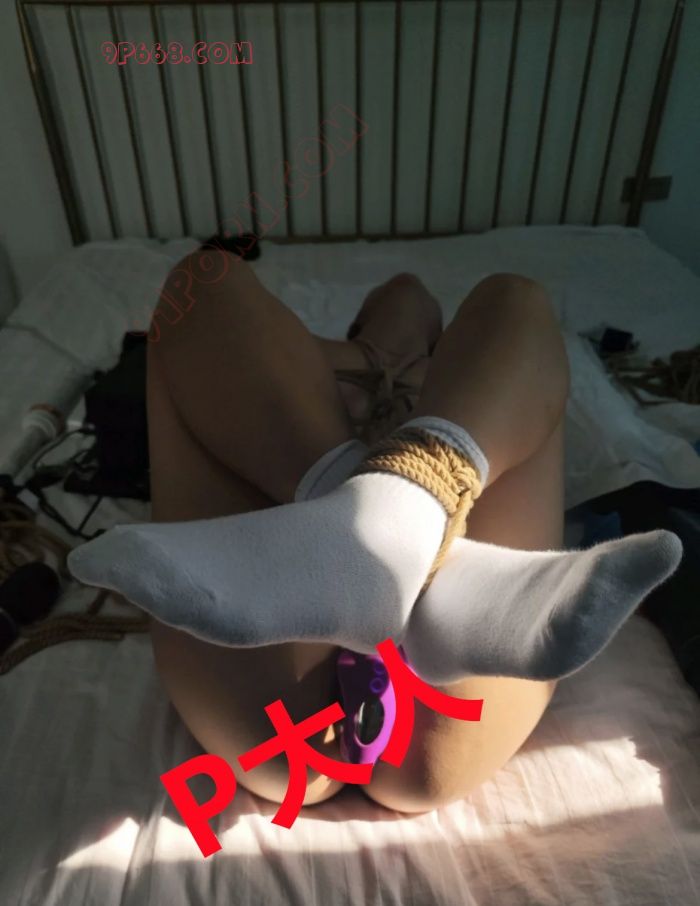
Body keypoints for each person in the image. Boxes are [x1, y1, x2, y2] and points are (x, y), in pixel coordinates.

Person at [68, 252, 681, 814]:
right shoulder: (300, 355)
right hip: (443, 698)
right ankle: (404, 528)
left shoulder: (447, 369)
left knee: (514, 297)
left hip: (289, 719)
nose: (406, 286)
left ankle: (379, 523)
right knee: (207, 277)